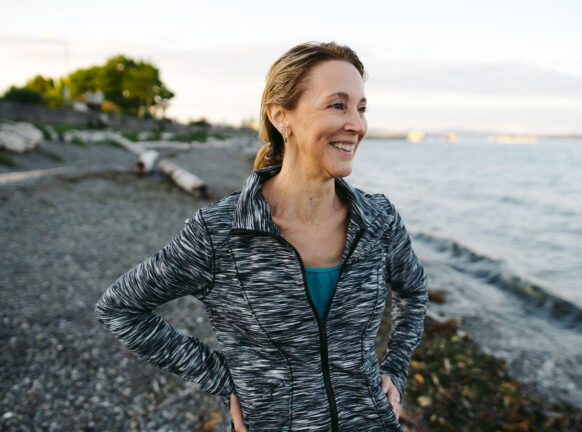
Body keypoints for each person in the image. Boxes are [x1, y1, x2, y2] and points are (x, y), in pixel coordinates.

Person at [96, 41, 429, 432]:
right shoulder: (220, 232)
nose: (357, 124)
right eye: (337, 105)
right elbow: (120, 308)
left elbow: (414, 291)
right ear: (280, 116)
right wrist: (223, 380)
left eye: (361, 107)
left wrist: (395, 369)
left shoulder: (379, 220)